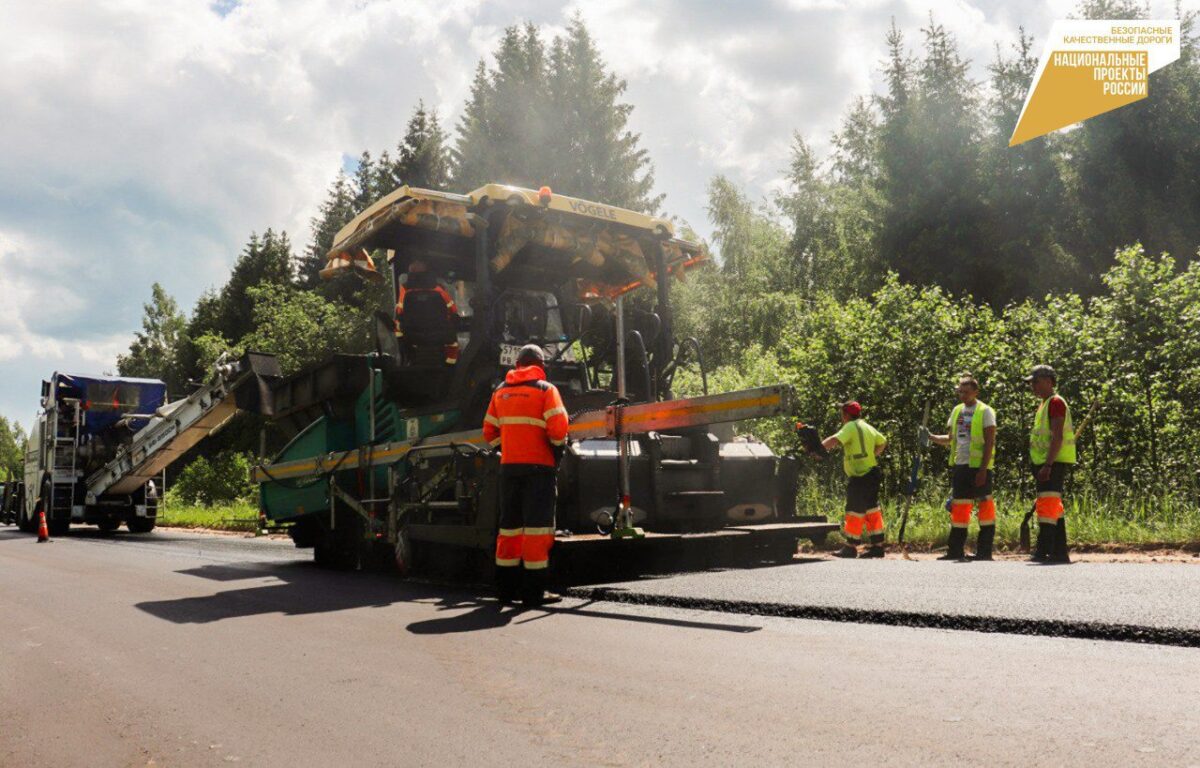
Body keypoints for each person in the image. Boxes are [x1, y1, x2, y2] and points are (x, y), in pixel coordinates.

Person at [482, 344, 570, 606]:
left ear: (517, 364)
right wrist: (556, 452)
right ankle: (533, 593)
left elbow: (489, 432)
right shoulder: (546, 390)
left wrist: (507, 449)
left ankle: (505, 591)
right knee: (537, 531)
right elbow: (558, 430)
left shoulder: (500, 391)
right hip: (539, 469)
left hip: (509, 469)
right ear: (540, 365)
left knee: (509, 530)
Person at [925, 374, 997, 560]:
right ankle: (955, 550)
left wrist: (982, 470)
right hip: (961, 466)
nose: (962, 395)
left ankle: (984, 551)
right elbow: (950, 439)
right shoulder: (957, 411)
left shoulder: (985, 411)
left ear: (975, 392)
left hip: (979, 468)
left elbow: (990, 442)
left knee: (984, 509)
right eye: (960, 392)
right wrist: (931, 437)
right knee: (959, 509)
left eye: (966, 392)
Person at [821, 401, 888, 558]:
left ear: (846, 414)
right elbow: (883, 441)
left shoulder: (850, 427)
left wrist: (817, 448)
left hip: (860, 476)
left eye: (841, 414)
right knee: (872, 510)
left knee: (854, 511)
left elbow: (834, 440)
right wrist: (873, 455)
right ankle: (877, 547)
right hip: (872, 473)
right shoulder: (866, 426)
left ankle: (850, 547)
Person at [1027, 364, 1073, 563]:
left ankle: (1044, 550)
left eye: (1035, 382)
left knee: (1047, 507)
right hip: (1046, 463)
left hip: (1051, 463)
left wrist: (1047, 465)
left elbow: (1057, 436)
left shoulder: (1055, 402)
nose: (1032, 387)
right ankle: (1059, 551)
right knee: (1054, 508)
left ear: (1048, 381)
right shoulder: (1045, 404)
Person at [395, 259, 460, 365]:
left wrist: (401, 342)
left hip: (413, 342)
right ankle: (451, 366)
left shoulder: (405, 291)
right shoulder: (439, 289)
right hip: (441, 342)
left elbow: (399, 315)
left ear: (410, 272)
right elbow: (453, 312)